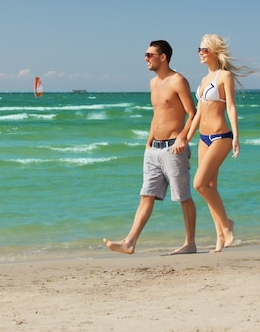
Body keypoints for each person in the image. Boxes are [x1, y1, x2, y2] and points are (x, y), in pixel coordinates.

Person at [103, 40, 197, 255]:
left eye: (149, 55)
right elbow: (158, 115)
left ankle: (190, 243)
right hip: (153, 149)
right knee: (146, 195)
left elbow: (192, 113)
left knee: (183, 197)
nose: (145, 58)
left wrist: (183, 138)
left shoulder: (178, 80)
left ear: (162, 57)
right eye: (145, 54)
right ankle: (129, 242)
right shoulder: (153, 84)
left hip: (174, 148)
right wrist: (148, 142)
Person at [185, 34, 252, 253]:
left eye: (204, 50)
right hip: (203, 139)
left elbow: (231, 106)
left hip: (221, 137)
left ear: (214, 51)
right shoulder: (204, 80)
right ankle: (220, 238)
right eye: (199, 49)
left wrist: (236, 137)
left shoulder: (225, 76)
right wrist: (186, 137)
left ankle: (227, 225)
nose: (200, 53)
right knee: (210, 187)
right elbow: (198, 113)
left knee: (199, 184)